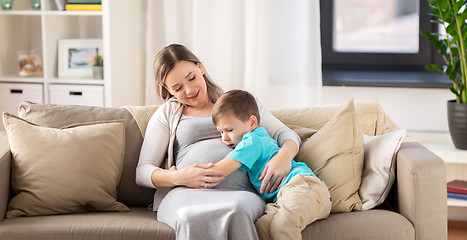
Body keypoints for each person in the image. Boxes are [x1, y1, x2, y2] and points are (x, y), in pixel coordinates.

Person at [135, 44, 301, 240]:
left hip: (242, 193)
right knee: (191, 216)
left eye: (192, 78)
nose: (189, 90)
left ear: (200, 68)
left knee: (237, 211)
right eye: (177, 88)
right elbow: (142, 171)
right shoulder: (167, 113)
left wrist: (284, 157)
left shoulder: (238, 103)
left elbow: (287, 135)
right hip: (186, 194)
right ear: (167, 89)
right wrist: (179, 177)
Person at [210, 89, 332, 240]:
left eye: (229, 130)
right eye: (220, 132)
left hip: (303, 186)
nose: (225, 138)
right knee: (262, 228)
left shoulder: (252, 141)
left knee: (283, 226)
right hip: (283, 198)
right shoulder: (257, 138)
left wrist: (190, 174)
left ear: (252, 122)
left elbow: (220, 170)